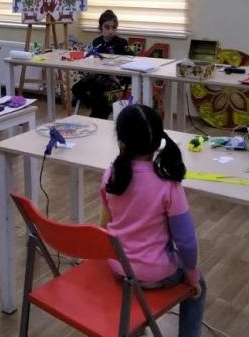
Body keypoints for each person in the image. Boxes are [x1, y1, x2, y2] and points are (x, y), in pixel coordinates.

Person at [100, 104, 205, 337]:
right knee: (199, 283)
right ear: (158, 143)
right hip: (155, 273)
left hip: (118, 266)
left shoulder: (110, 176)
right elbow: (186, 242)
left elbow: (104, 224)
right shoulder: (168, 184)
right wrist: (192, 275)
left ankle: (135, 329)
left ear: (121, 141)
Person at [72, 10, 134, 119]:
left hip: (114, 78)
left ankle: (98, 113)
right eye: (107, 27)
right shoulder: (97, 41)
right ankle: (97, 108)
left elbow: (132, 58)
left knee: (98, 89)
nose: (111, 31)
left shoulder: (122, 42)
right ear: (100, 28)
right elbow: (93, 59)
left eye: (114, 27)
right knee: (77, 88)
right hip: (98, 75)